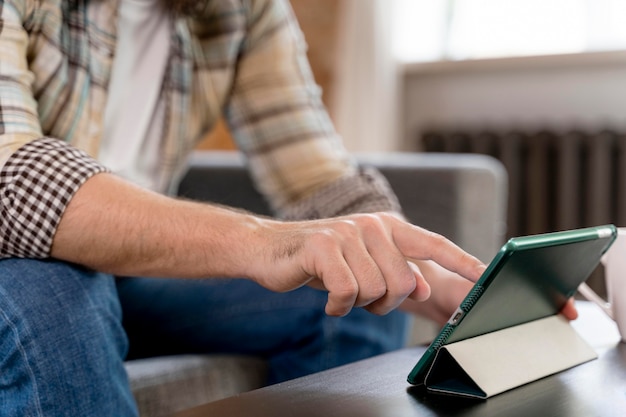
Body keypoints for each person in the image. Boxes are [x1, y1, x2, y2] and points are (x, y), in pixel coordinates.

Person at [0, 0, 575, 415]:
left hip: (127, 278)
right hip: (24, 268)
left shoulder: (242, 10)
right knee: (57, 293)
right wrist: (264, 241)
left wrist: (443, 283)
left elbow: (317, 175)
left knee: (356, 287)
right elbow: (12, 179)